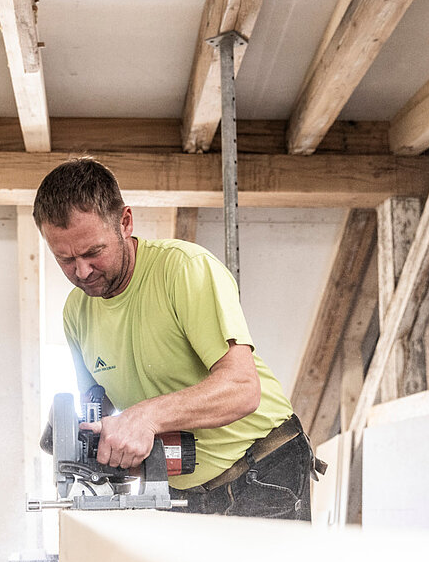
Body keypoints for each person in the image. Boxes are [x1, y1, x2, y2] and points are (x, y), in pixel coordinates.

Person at [33, 157, 323, 519]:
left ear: (125, 222)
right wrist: (81, 436)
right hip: (179, 483)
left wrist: (145, 418)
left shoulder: (184, 270)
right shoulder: (76, 313)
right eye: (65, 259)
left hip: (262, 467)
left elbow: (242, 389)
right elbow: (97, 404)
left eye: (93, 252)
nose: (82, 270)